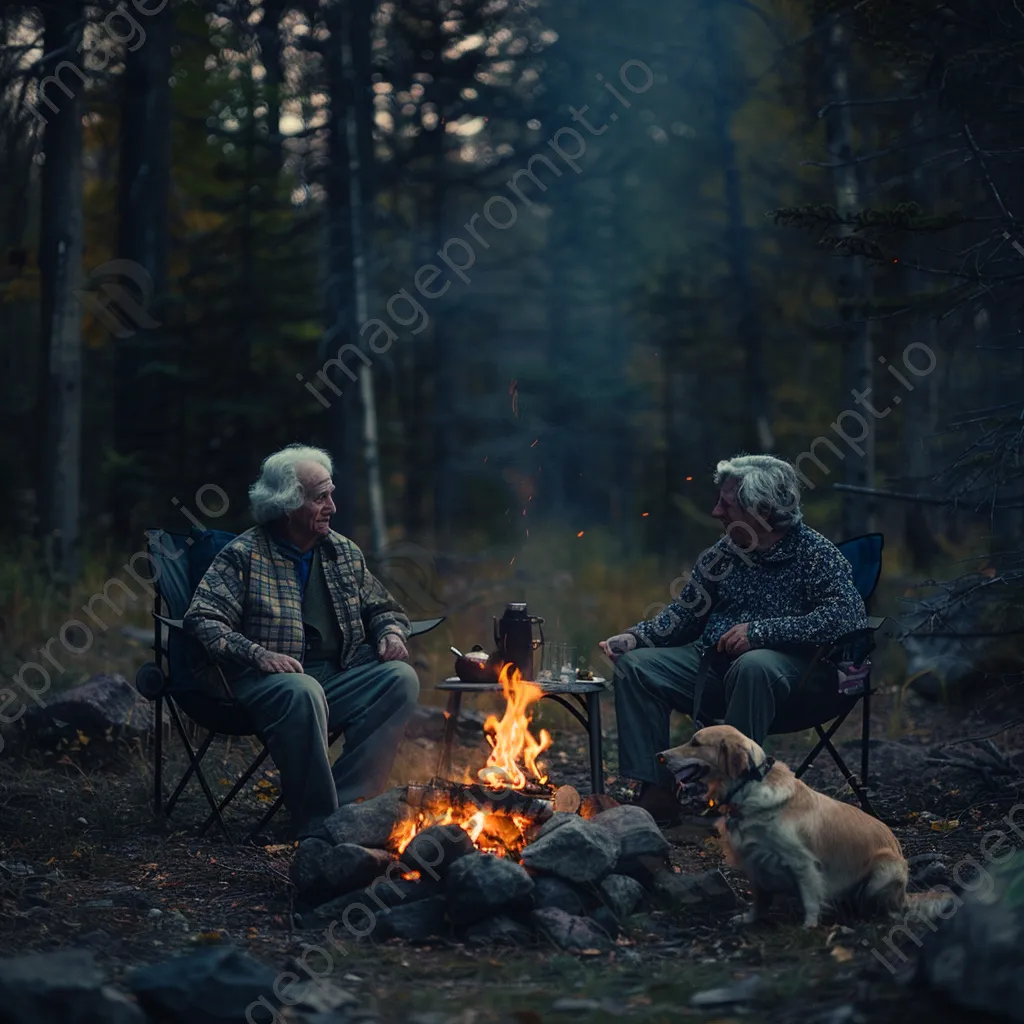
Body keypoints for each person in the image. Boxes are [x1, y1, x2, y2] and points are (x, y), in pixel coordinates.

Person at [600, 454, 867, 824]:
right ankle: (658, 792)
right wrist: (636, 638)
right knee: (635, 668)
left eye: (726, 504)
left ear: (761, 510)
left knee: (753, 664)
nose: (715, 512)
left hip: (797, 677)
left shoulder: (816, 555)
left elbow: (846, 617)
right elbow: (685, 614)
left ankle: (737, 801)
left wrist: (760, 633)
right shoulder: (723, 554)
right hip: (714, 667)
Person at [184, 444, 419, 839]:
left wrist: (391, 632)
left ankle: (349, 811)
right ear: (289, 505)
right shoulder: (243, 555)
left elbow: (384, 608)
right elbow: (202, 619)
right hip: (264, 681)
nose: (333, 506)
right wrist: (257, 654)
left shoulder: (342, 552)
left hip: (335, 675)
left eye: (331, 493)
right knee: (303, 690)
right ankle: (315, 824)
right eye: (320, 497)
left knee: (401, 678)